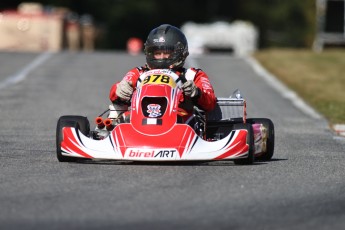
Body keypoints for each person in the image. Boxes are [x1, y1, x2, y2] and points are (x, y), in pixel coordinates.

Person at [108, 24, 217, 125]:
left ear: (179, 53)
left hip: (180, 123)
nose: (161, 57)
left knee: (196, 119)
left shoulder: (192, 75)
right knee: (117, 110)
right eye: (157, 53)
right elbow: (115, 92)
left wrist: (197, 93)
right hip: (140, 121)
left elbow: (210, 101)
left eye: (166, 53)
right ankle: (105, 133)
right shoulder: (139, 73)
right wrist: (119, 89)